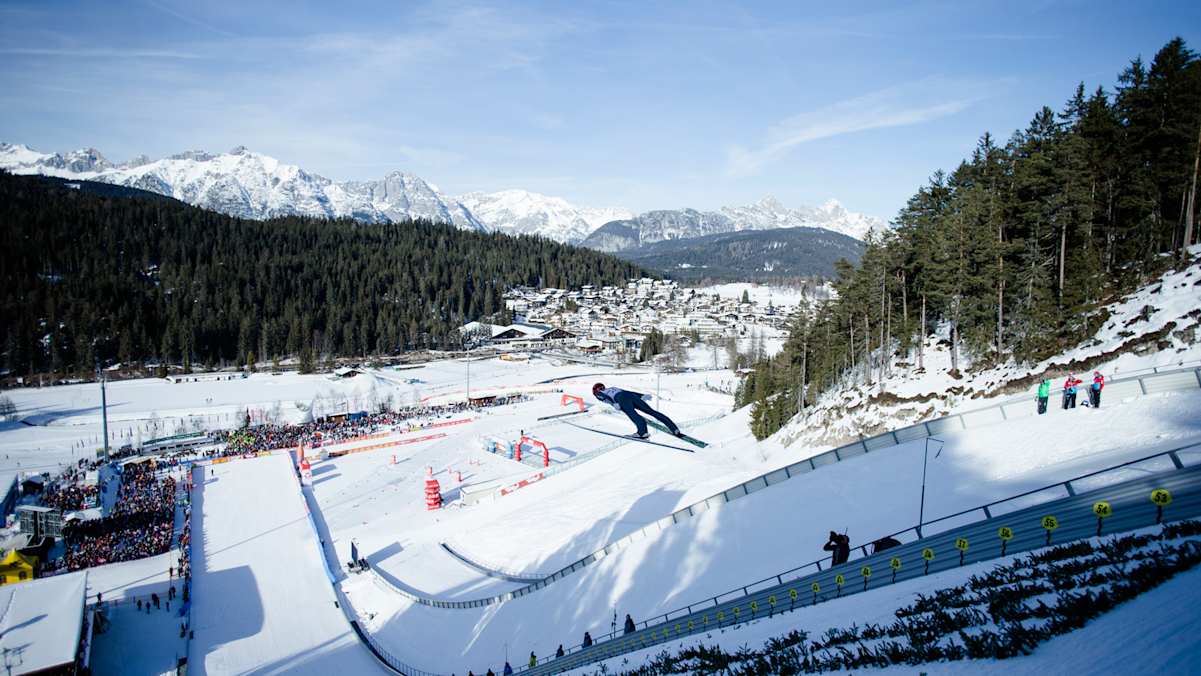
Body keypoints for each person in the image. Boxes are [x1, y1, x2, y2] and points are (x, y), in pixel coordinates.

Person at [592, 383, 684, 440]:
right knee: (651, 412)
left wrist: (614, 403)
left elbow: (604, 396)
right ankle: (674, 429)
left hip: (621, 399)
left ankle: (642, 432)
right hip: (630, 396)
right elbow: (627, 392)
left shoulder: (599, 393)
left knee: (633, 414)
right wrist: (641, 396)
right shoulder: (613, 388)